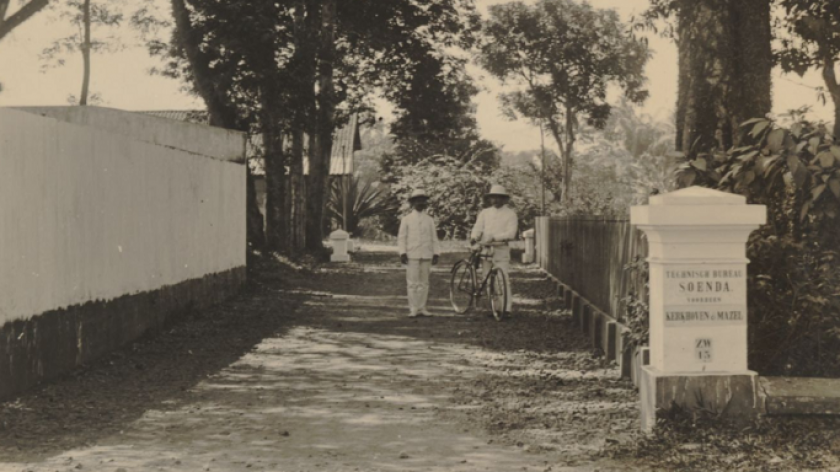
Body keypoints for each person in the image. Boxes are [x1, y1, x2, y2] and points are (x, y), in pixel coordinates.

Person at [470, 184, 518, 316]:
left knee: (502, 278)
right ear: (490, 199)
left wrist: (495, 237)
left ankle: (506, 308)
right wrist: (474, 237)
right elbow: (478, 227)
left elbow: (511, 233)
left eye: (499, 197)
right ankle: (496, 307)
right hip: (485, 250)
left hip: (501, 250)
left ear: (504, 199)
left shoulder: (510, 214)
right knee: (487, 278)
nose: (495, 200)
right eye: (493, 198)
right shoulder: (485, 213)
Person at [398, 189, 440, 317]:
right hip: (412, 254)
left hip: (426, 253)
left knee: (424, 282)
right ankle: (413, 308)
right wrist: (403, 253)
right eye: (417, 201)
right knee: (412, 282)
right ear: (412, 203)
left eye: (423, 201)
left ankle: (422, 307)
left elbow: (434, 237)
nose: (420, 203)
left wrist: (436, 253)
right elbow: (402, 237)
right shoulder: (407, 219)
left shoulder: (429, 220)